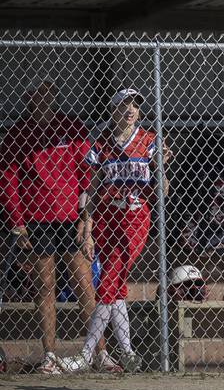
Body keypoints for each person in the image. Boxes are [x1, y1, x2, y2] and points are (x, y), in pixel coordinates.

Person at [0, 80, 115, 374]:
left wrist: (84, 218)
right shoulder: (17, 134)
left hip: (70, 219)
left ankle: (100, 354)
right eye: (37, 95)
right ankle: (50, 355)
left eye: (48, 93)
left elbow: (88, 174)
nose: (43, 100)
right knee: (45, 286)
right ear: (28, 99)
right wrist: (18, 223)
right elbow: (7, 181)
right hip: (37, 221)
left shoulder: (73, 128)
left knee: (85, 286)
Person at [61, 88, 171, 373]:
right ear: (113, 110)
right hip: (107, 216)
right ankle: (128, 352)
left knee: (107, 282)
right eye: (124, 105)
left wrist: (161, 166)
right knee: (117, 286)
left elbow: (164, 190)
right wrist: (86, 227)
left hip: (135, 216)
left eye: (134, 105)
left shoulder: (149, 140)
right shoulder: (102, 145)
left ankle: (86, 355)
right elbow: (91, 188)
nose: (130, 110)